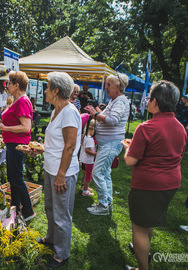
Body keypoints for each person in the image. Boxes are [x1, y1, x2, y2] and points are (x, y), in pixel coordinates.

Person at [121, 81, 187, 270]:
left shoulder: (145, 127)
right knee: (147, 220)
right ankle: (144, 250)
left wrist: (127, 148)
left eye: (149, 98)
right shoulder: (181, 128)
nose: (147, 102)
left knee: (139, 228)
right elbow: (176, 154)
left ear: (155, 102)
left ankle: (143, 267)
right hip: (171, 183)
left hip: (148, 185)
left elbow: (130, 161)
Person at [29, 72, 81, 268]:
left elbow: (70, 146)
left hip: (63, 172)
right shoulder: (55, 110)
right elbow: (57, 143)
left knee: (61, 214)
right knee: (50, 208)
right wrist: (40, 149)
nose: (44, 90)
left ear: (56, 91)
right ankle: (51, 239)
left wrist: (61, 175)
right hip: (51, 169)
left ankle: (61, 254)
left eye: (47, 86)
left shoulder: (69, 112)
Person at [84, 73, 130, 215]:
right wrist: (97, 110)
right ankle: (107, 203)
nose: (106, 87)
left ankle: (103, 205)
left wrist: (95, 114)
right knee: (105, 173)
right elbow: (108, 116)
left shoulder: (120, 101)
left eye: (108, 84)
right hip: (108, 143)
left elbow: (112, 120)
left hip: (111, 143)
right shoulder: (115, 100)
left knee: (97, 173)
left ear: (118, 87)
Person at [0, 71, 35, 221]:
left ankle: (28, 211)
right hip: (13, 144)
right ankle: (16, 209)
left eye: (9, 83)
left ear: (16, 85)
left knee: (17, 178)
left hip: (17, 145)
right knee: (13, 178)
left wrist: (4, 128)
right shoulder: (17, 100)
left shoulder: (23, 101)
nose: (6, 86)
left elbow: (26, 127)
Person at [80, 118, 97, 196]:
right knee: (89, 176)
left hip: (83, 159)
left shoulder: (84, 136)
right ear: (92, 129)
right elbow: (87, 150)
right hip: (88, 160)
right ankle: (85, 191)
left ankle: (84, 187)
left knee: (85, 174)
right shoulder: (90, 139)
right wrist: (95, 153)